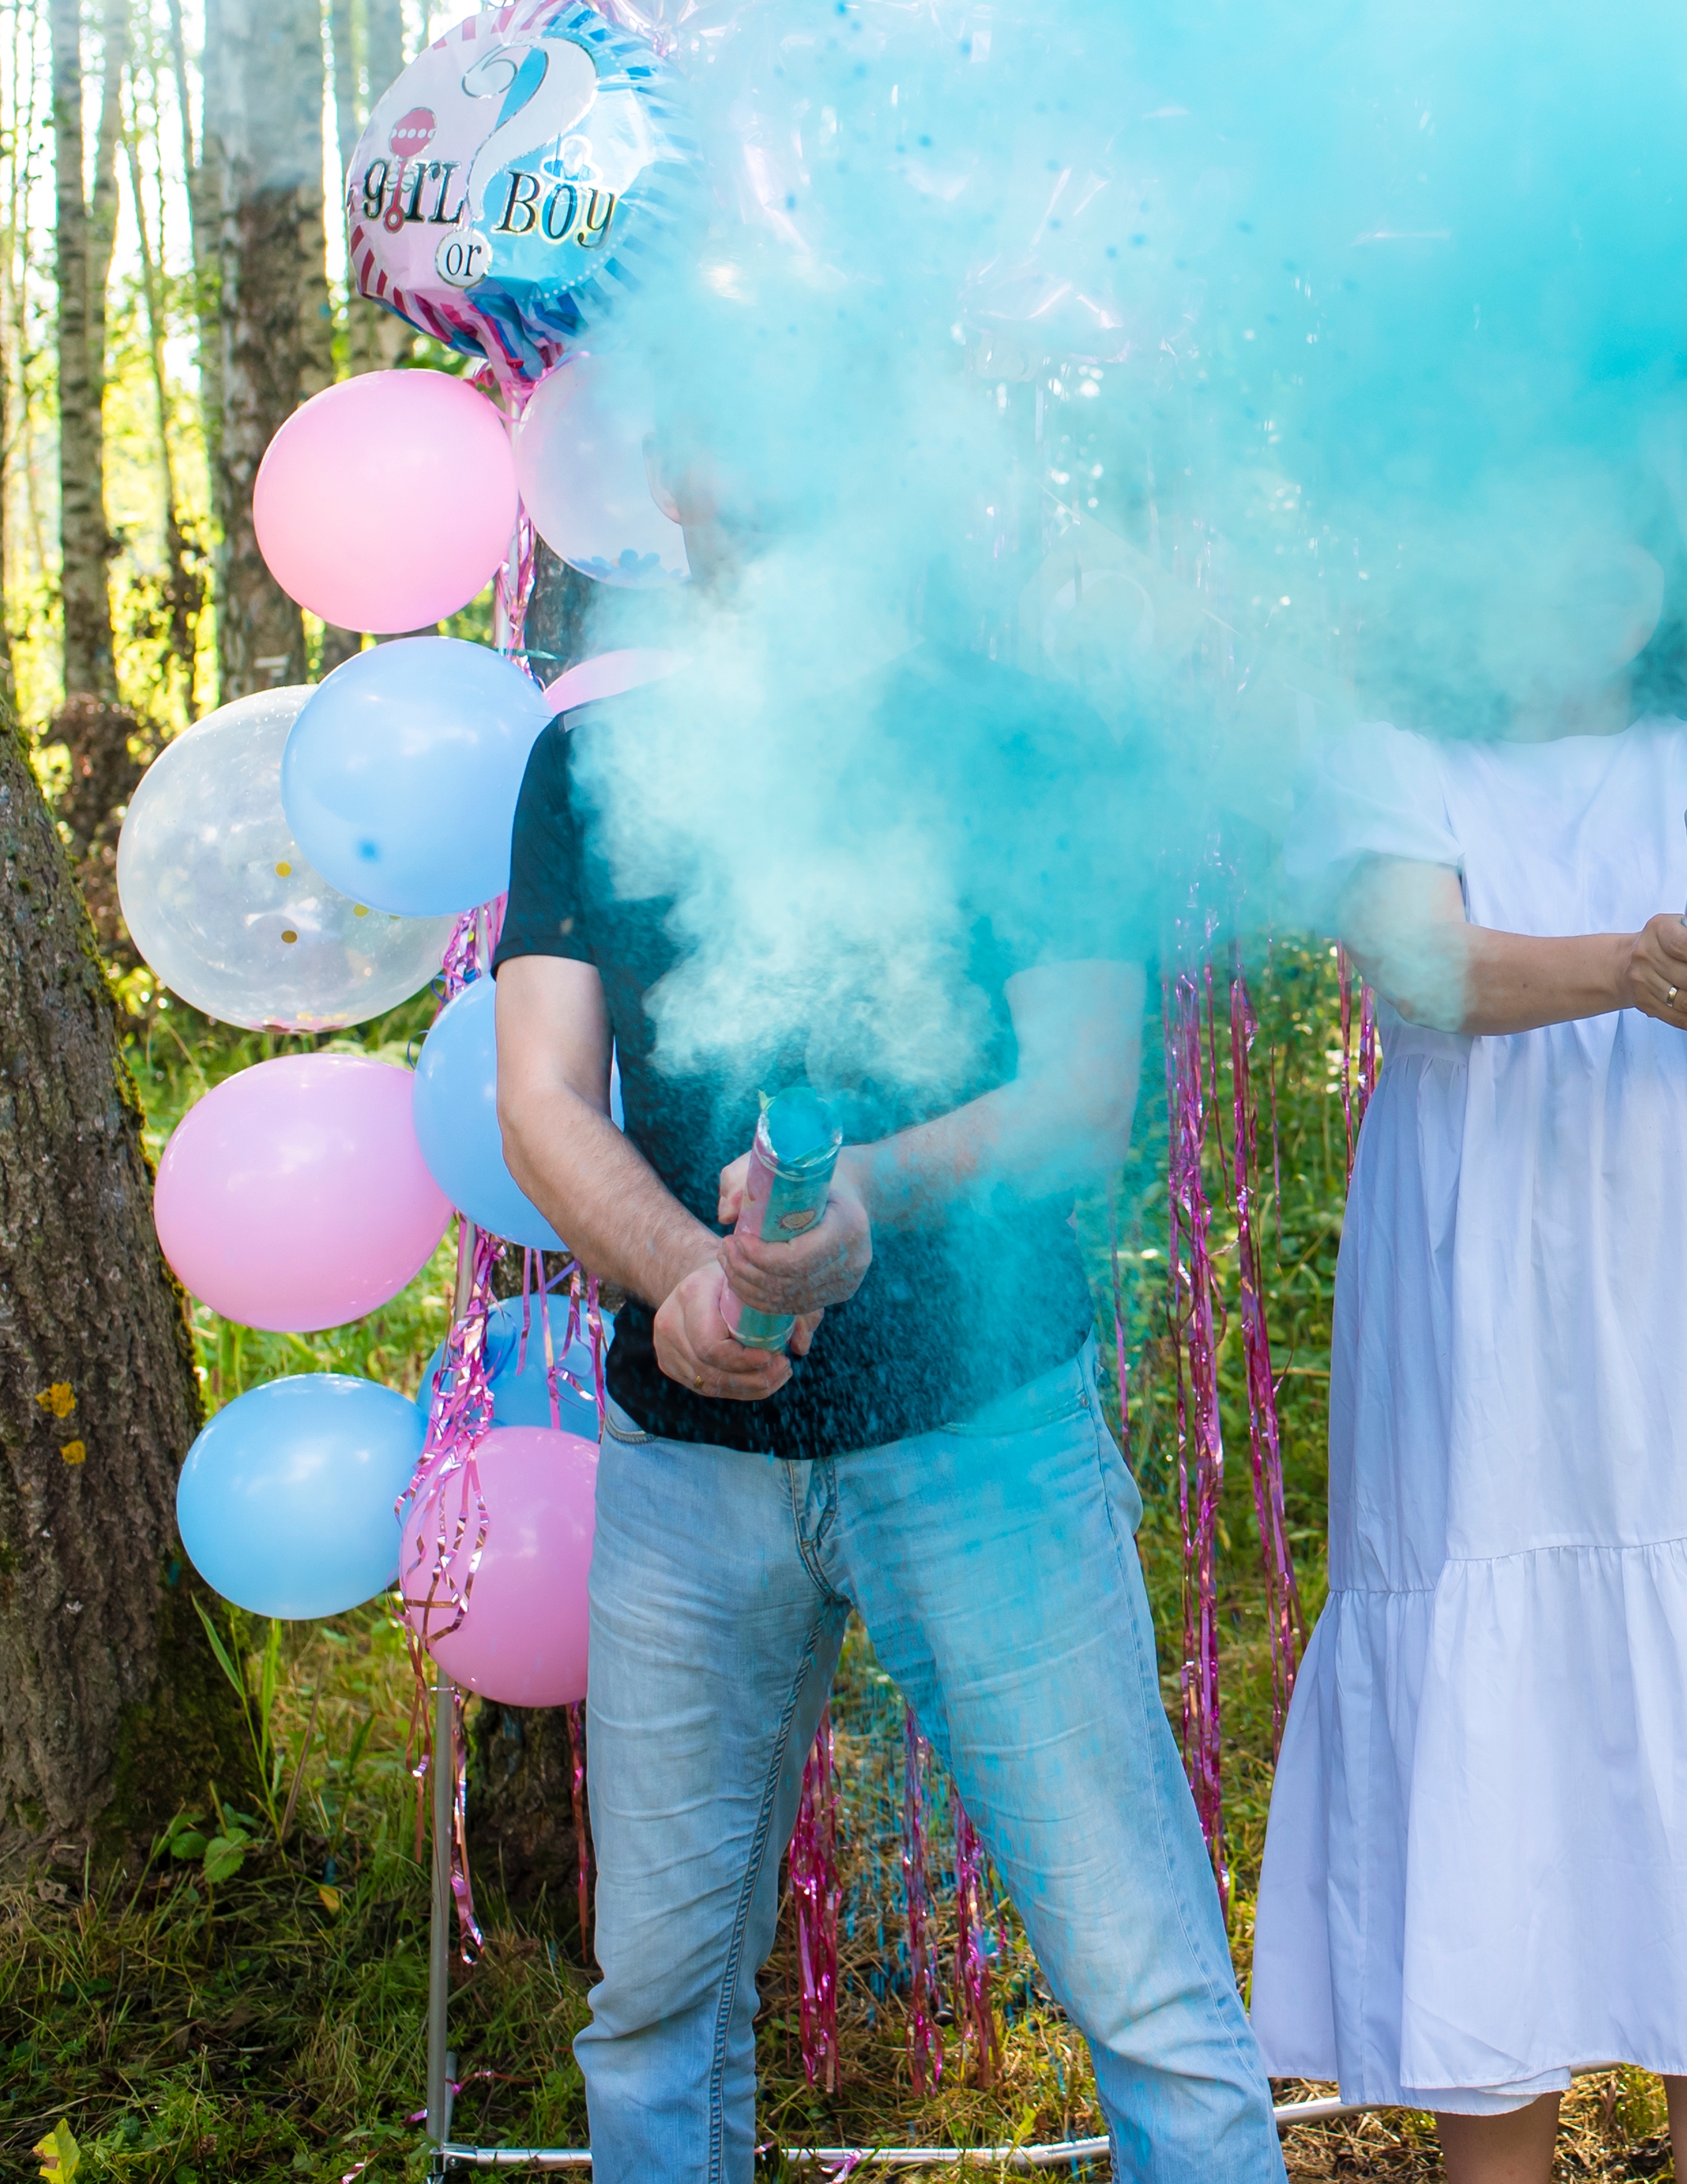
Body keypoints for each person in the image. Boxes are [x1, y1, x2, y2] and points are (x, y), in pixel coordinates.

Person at [492, 430, 1284, 2184]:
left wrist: (868, 1199)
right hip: (684, 1465)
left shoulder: (1035, 750)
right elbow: (543, 1094)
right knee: (652, 2008)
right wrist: (687, 1279)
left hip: (982, 1438)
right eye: (724, 447)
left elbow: (1082, 1096)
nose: (761, 486)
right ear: (681, 491)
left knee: (1148, 1988)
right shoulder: (592, 755)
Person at [1250, 470, 1687, 2184]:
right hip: (1489, 1268)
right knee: (1499, 1669)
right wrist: (1627, 968)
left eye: (1604, 529)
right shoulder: (1387, 750)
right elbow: (1424, 966)